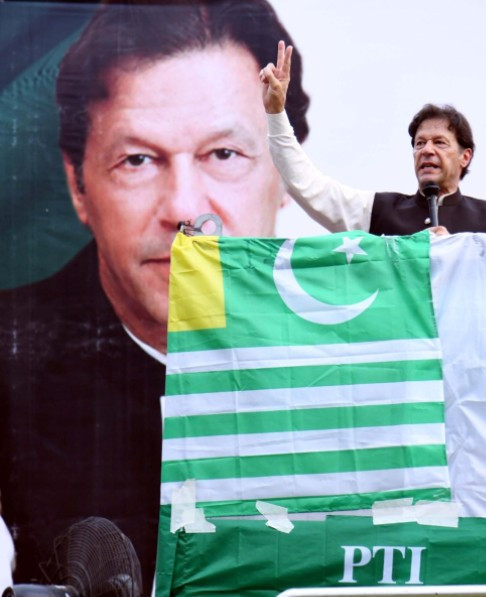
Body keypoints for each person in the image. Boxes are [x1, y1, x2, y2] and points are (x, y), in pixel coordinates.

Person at [0, 0, 310, 591]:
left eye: (224, 154)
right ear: (78, 185)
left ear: (285, 171)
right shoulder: (9, 359)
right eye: (138, 160)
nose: (185, 210)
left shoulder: (365, 356)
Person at [260, 42, 486, 236]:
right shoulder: (379, 211)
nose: (426, 150)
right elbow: (306, 185)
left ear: (465, 156)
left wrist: (456, 254)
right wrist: (276, 111)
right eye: (419, 143)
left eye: (439, 142)